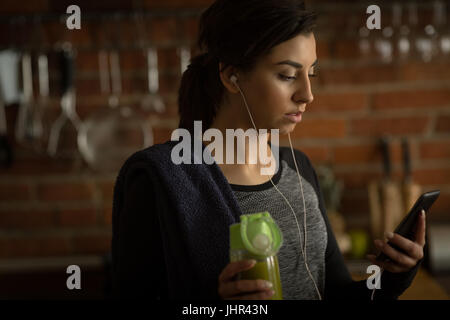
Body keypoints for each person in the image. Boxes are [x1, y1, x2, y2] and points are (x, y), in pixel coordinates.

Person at [111, 0, 425, 300]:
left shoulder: (298, 168)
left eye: (310, 73)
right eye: (287, 75)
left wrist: (390, 278)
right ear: (231, 76)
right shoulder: (161, 181)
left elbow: (337, 293)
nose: (307, 94)